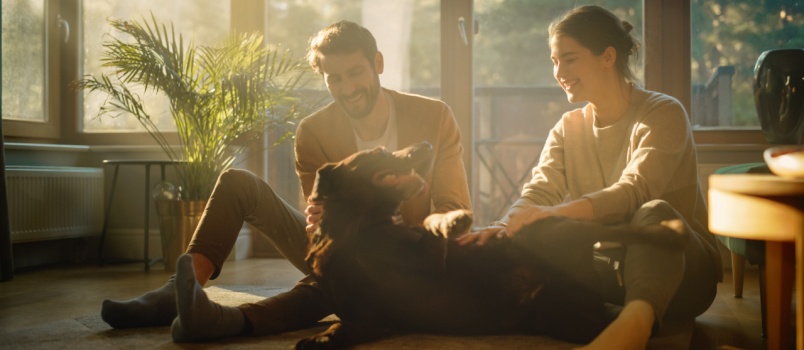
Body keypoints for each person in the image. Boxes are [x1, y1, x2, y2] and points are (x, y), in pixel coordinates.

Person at [100, 20, 471, 342]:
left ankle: (222, 321)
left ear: (378, 63)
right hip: (344, 247)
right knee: (237, 182)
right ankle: (180, 290)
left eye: (355, 72)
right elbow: (321, 228)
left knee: (325, 287)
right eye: (335, 78)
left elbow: (454, 207)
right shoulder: (314, 131)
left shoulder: (434, 117)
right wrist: (322, 223)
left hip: (410, 256)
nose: (347, 88)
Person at [456, 5, 722, 350]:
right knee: (526, 242)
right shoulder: (567, 127)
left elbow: (634, 192)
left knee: (654, 213)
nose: (559, 72)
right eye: (554, 61)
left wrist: (553, 215)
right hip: (610, 272)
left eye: (569, 59)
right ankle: (607, 317)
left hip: (682, 272)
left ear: (608, 56)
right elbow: (538, 193)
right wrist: (506, 226)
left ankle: (633, 327)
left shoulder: (663, 112)